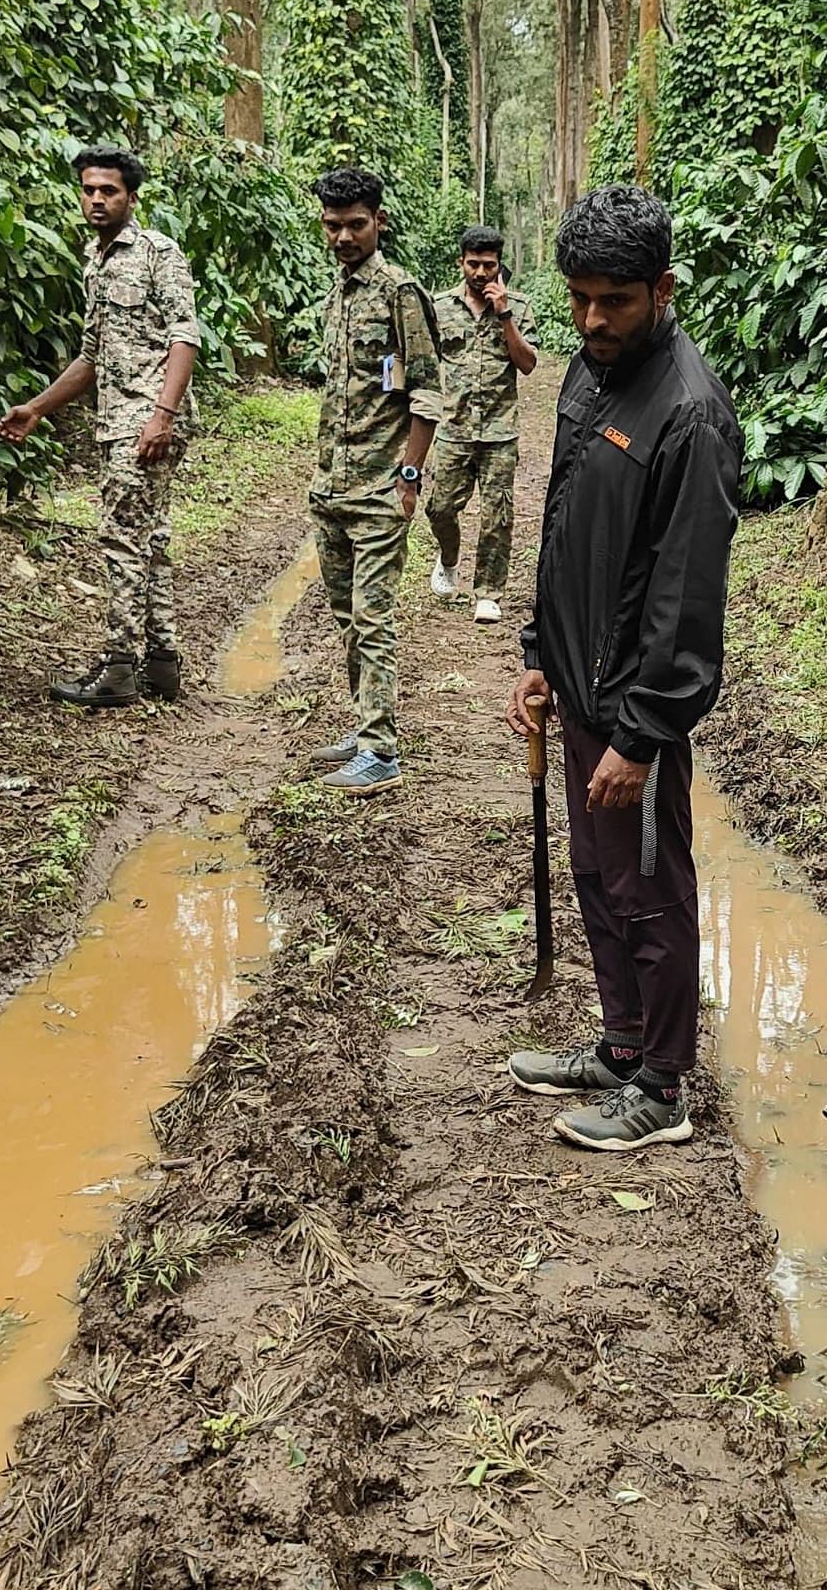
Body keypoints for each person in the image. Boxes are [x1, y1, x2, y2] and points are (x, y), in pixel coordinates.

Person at [504, 185, 743, 1153]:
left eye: (615, 301)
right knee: (599, 878)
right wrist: (538, 657)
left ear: (663, 289)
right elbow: (565, 526)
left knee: (650, 887)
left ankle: (662, 1084)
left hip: (633, 705)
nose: (593, 320)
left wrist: (644, 732)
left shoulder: (688, 414)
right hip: (577, 683)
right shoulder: (586, 372)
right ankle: (618, 1041)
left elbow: (686, 594)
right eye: (579, 299)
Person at [0, 145, 199, 706]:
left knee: (122, 544)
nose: (96, 199)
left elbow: (186, 335)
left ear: (131, 197)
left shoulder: (159, 253)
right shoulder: (96, 258)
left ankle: (118, 669)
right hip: (119, 419)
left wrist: (163, 416)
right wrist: (37, 409)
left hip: (148, 418)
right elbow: (92, 355)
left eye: (108, 190)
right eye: (88, 190)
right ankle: (160, 663)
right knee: (149, 541)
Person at [306, 167, 443, 795]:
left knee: (373, 618)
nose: (342, 236)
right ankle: (364, 729)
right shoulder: (338, 292)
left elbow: (426, 392)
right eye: (333, 225)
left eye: (355, 224)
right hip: (331, 486)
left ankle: (381, 750)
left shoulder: (399, 292)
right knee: (344, 616)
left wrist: (408, 477)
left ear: (378, 222)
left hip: (380, 488)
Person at [426, 225, 538, 624]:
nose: (480, 273)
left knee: (497, 516)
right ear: (461, 262)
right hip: (452, 430)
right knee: (438, 508)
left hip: (498, 432)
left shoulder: (520, 307)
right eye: (473, 264)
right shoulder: (439, 308)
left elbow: (527, 364)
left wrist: (504, 313)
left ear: (498, 265)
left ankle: (488, 592)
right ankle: (449, 557)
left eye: (488, 265)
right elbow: (424, 364)